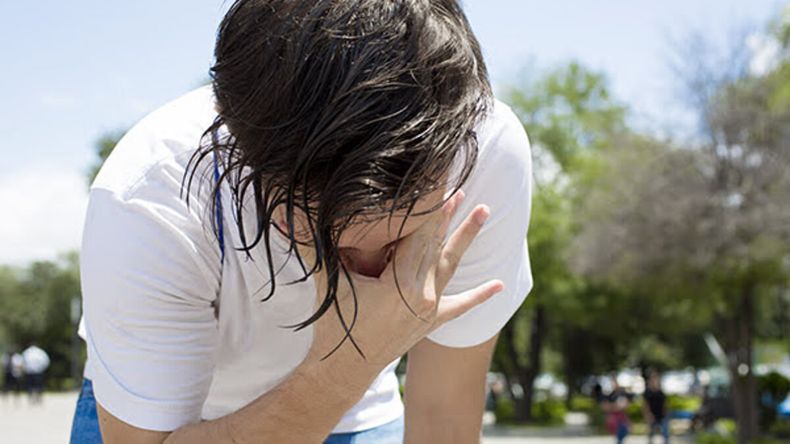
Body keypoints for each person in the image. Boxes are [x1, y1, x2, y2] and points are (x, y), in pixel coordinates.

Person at [69, 1, 533, 443]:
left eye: (402, 237)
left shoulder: (486, 157)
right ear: (247, 166)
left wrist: (349, 376)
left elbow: (442, 418)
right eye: (336, 246)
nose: (379, 283)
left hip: (359, 416)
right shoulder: (151, 199)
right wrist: (346, 366)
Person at [643, 373, 669, 444]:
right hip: (653, 415)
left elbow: (664, 404)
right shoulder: (648, 392)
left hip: (662, 415)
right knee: (651, 434)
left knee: (665, 434)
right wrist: (648, 414)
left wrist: (666, 413)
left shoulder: (661, 392)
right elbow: (646, 405)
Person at [604, 375, 631, 444]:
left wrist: (617, 406)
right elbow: (607, 406)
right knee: (618, 434)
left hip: (622, 416)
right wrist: (615, 407)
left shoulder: (623, 393)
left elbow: (626, 405)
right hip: (615, 417)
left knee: (624, 432)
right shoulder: (611, 395)